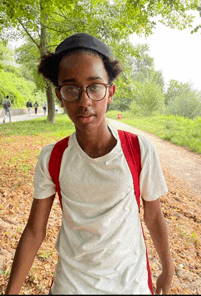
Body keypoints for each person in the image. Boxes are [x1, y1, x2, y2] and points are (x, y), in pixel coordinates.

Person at [5, 33, 174, 295]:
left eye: (95, 87)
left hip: (131, 284)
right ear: (60, 97)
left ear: (110, 93)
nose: (84, 101)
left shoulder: (138, 151)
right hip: (71, 286)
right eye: (71, 89)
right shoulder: (53, 158)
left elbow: (153, 217)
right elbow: (34, 231)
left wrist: (167, 267)